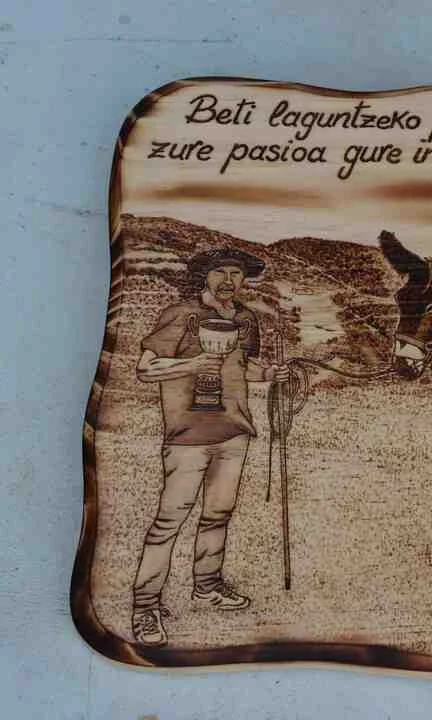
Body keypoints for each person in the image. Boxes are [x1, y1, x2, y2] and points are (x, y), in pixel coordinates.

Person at [130, 247, 289, 647]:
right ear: (205, 276)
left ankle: (207, 585)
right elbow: (145, 369)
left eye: (236, 273)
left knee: (217, 515)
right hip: (188, 437)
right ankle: (145, 606)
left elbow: (242, 367)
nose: (228, 280)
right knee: (169, 521)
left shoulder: (246, 319)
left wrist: (270, 373)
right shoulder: (182, 315)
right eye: (220, 272)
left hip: (234, 432)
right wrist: (191, 365)